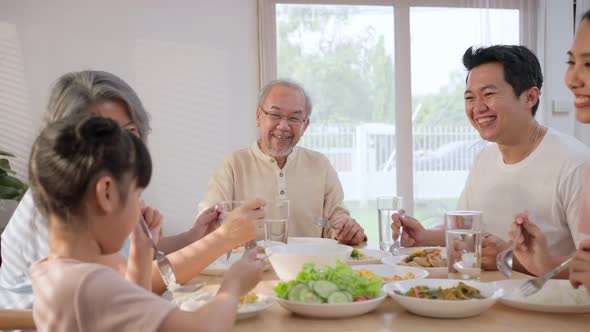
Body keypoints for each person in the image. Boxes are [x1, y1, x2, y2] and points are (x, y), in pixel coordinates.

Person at [0, 70, 263, 310]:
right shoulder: (57, 202)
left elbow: (129, 261)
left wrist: (193, 237)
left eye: (130, 131)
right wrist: (222, 244)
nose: (121, 145)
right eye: (102, 133)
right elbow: (126, 294)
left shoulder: (103, 189)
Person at [29, 114, 264, 331]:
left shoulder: (50, 271)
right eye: (137, 194)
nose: (140, 207)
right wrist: (233, 287)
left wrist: (142, 253)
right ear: (106, 193)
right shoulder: (91, 286)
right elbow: (202, 327)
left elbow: (136, 317)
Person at [391, 45, 590, 272]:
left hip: (545, 303)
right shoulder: (485, 158)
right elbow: (466, 232)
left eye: (489, 94)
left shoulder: (575, 164)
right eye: (469, 97)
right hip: (484, 297)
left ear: (530, 97)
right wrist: (423, 236)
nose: (477, 108)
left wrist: (513, 260)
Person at [198, 79, 366, 245]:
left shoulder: (320, 165)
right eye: (275, 115)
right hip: (251, 269)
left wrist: (346, 230)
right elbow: (206, 226)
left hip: (308, 269)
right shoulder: (233, 164)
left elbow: (335, 223)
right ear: (258, 117)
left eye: (294, 118)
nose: (283, 126)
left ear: (305, 125)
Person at [510, 9, 590, 291]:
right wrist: (544, 264)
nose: (571, 79)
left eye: (589, 64)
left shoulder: (576, 161)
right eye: (571, 62)